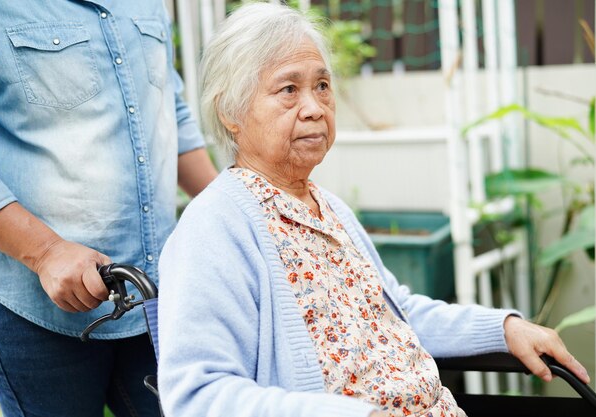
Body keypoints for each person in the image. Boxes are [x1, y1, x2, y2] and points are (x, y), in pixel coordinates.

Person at [156, 2, 590, 417]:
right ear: (230, 111)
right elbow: (197, 394)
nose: (314, 109)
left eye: (322, 86)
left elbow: (396, 311)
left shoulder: (330, 208)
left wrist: (502, 328)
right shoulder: (214, 227)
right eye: (289, 89)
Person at [0, 0, 217, 416]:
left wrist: (236, 210)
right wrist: (47, 252)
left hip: (153, 297)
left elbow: (168, 110)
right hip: (32, 308)